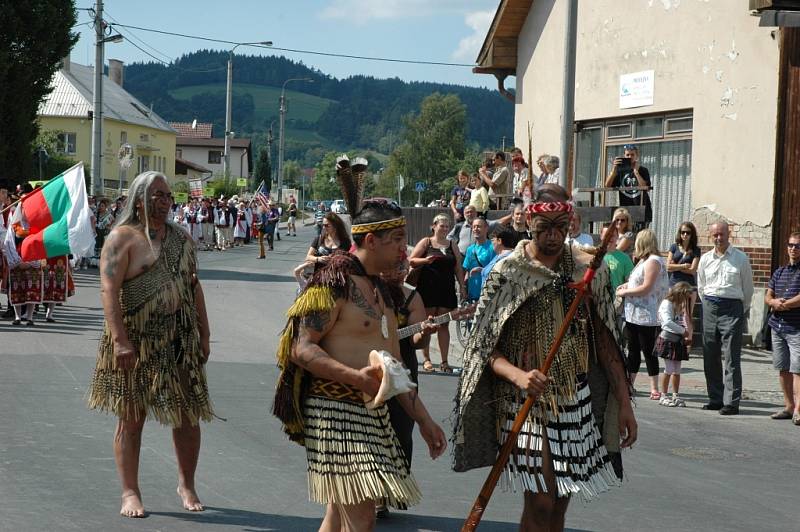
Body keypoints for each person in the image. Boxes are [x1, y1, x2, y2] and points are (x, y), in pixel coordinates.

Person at [452, 184, 636, 531]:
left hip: (574, 397)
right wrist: (517, 375)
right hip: (523, 398)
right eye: (544, 228)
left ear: (569, 223)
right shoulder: (508, 272)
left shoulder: (587, 270)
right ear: (529, 224)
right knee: (540, 501)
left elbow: (608, 343)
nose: (552, 235)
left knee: (559, 503)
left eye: (560, 227)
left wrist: (624, 403)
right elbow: (482, 346)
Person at [272, 165, 447, 530]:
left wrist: (426, 423)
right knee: (362, 516)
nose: (405, 248)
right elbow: (302, 349)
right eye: (397, 239)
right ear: (370, 241)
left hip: (370, 415)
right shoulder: (333, 282)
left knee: (339, 518)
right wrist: (356, 378)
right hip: (332, 410)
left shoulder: (383, 293)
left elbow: (396, 371)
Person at [87, 171, 213, 518]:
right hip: (135, 341)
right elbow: (109, 291)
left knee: (188, 415)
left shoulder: (182, 239)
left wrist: (204, 333)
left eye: (168, 195)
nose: (165, 201)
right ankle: (130, 492)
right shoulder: (121, 239)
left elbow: (193, 285)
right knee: (131, 417)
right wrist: (120, 341)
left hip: (178, 339)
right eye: (157, 194)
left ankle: (186, 484)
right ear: (139, 200)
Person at [377, 257, 439, 518]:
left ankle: (390, 492)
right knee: (374, 430)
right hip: (370, 367)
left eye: (402, 269)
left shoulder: (412, 297)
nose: (398, 273)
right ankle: (371, 495)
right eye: (393, 268)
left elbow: (415, 342)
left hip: (402, 368)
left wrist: (424, 333)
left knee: (401, 428)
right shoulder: (368, 292)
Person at [697, 222, 754, 415]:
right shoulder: (705, 259)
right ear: (709, 236)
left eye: (721, 234)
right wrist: (708, 305)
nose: (718, 238)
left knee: (731, 356)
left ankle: (731, 402)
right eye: (715, 235)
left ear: (728, 235)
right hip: (710, 306)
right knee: (710, 354)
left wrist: (740, 309)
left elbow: (748, 290)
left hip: (732, 308)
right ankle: (715, 398)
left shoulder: (740, 259)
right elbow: (701, 287)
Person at [408, 214, 466, 373]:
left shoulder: (452, 244)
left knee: (444, 325)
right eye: (442, 225)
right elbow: (411, 260)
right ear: (434, 226)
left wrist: (461, 285)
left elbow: (458, 267)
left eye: (447, 226)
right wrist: (426, 261)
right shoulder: (426, 242)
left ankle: (444, 362)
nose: (445, 229)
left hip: (446, 290)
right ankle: (426, 360)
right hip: (427, 288)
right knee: (427, 324)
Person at [616, 229, 669, 399]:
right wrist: (626, 285)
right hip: (634, 314)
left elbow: (647, 287)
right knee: (633, 350)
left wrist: (626, 293)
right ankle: (630, 383)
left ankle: (654, 387)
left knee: (648, 351)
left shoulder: (653, 261)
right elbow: (636, 281)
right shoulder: (643, 260)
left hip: (647, 315)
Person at [766, 231, 800, 424]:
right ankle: (788, 406)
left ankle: (798, 410)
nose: (793, 248)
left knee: (798, 370)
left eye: (797, 246)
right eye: (791, 245)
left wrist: (783, 304)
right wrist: (773, 302)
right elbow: (767, 296)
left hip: (796, 327)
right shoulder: (780, 271)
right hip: (777, 326)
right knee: (783, 368)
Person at [655, 281, 694, 407]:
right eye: (685, 295)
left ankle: (675, 395)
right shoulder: (667, 304)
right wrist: (683, 331)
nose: (686, 299)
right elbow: (666, 322)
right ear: (680, 293)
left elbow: (683, 319)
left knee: (677, 370)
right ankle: (663, 395)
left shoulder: (679, 304)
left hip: (678, 340)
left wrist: (687, 334)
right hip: (668, 339)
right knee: (669, 368)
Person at [666, 222, 702, 342]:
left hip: (688, 287)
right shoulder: (674, 247)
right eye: (683, 232)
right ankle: (673, 340)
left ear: (692, 234)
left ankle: (688, 342)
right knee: (672, 314)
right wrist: (684, 265)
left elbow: (693, 270)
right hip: (673, 285)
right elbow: (668, 267)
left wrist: (676, 266)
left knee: (687, 316)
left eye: (688, 232)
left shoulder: (696, 250)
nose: (685, 235)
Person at [604, 144, 652, 229]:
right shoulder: (620, 171)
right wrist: (613, 171)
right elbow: (607, 186)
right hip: (626, 212)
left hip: (642, 211)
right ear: (624, 156)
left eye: (632, 154)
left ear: (637, 156)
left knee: (640, 239)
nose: (630, 157)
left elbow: (646, 188)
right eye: (627, 155)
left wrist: (636, 172)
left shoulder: (643, 170)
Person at [462, 217, 495, 302]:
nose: (476, 229)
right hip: (472, 295)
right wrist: (464, 288)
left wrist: (482, 270)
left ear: (486, 228)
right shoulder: (470, 249)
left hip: (489, 294)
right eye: (474, 227)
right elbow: (466, 270)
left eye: (479, 226)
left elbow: (497, 269)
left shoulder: (493, 247)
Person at [480, 224, 518, 288]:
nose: (491, 243)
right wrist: (484, 270)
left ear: (499, 241)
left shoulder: (507, 260)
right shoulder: (499, 255)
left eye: (492, 240)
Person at [601, 224, 635, 292]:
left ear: (617, 237)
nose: (609, 238)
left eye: (612, 235)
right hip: (595, 300)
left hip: (616, 300)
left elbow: (632, 282)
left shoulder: (624, 258)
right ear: (601, 236)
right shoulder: (593, 256)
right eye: (607, 235)